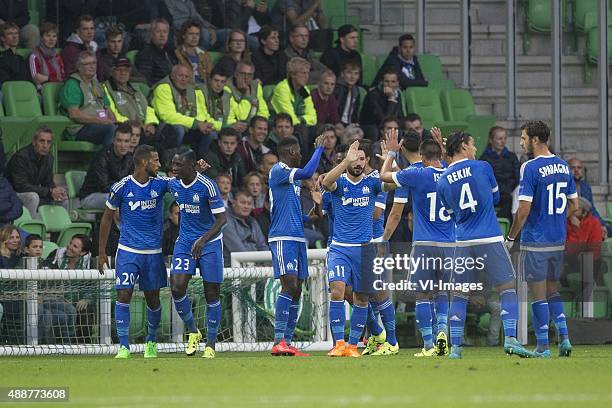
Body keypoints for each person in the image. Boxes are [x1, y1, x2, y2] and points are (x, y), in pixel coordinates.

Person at [435, 131, 532, 359]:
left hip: (463, 241)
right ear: (462, 147)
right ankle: (510, 339)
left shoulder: (442, 181)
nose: (475, 148)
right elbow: (496, 198)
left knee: (459, 294)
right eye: (472, 144)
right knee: (507, 288)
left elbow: (451, 213)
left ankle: (455, 348)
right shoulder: (483, 167)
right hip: (489, 237)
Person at [506, 120, 579, 358]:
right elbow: (574, 205)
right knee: (552, 290)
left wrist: (511, 236)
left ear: (535, 140)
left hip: (536, 239)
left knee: (538, 294)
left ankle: (543, 347)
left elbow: (524, 209)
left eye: (524, 137)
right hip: (558, 238)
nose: (521, 142)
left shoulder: (530, 167)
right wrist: (555, 218)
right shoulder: (564, 166)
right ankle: (565, 339)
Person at [321, 140, 395, 357]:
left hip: (364, 250)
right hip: (340, 248)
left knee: (361, 298)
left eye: (361, 159)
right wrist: (346, 160)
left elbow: (394, 183)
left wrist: (390, 157)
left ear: (366, 161)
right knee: (337, 291)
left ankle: (353, 346)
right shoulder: (340, 183)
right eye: (354, 158)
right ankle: (339, 344)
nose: (357, 163)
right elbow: (326, 183)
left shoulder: (372, 183)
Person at [380, 135, 453, 357]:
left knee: (422, 295)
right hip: (450, 243)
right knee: (442, 292)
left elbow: (384, 176)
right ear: (440, 154)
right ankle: (443, 332)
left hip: (424, 243)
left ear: (422, 156)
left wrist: (391, 153)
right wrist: (444, 147)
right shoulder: (451, 174)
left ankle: (429, 345)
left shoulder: (416, 174)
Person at [98, 145, 170, 359]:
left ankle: (151, 342)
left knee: (153, 299)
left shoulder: (160, 183)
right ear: (144, 162)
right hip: (128, 250)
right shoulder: (121, 187)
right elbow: (106, 218)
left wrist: (196, 169)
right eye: (156, 160)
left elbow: (182, 182)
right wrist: (101, 252)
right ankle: (124, 346)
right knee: (123, 293)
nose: (159, 164)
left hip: (153, 252)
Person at [268, 134, 324, 356]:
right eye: (299, 150)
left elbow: (304, 218)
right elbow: (308, 172)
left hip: (298, 237)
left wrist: (315, 209)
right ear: (291, 152)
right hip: (282, 237)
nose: (301, 154)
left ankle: (287, 342)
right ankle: (278, 340)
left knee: (297, 290)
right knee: (289, 285)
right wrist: (318, 149)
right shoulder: (278, 171)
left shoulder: (291, 183)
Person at [168, 150, 227, 359]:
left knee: (211, 293)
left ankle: (211, 343)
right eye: (173, 165)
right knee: (176, 287)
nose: (174, 169)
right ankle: (193, 331)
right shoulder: (174, 183)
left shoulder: (207, 186)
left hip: (209, 243)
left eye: (178, 165)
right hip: (185, 243)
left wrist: (202, 240)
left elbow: (222, 219)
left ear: (192, 165)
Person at [151, 64, 216, 159]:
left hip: (186, 128)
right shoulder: (163, 88)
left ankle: (200, 166)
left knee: (209, 133)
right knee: (178, 129)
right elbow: (168, 116)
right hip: (162, 128)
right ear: (172, 76)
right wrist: (196, 123)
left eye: (186, 76)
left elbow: (199, 112)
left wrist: (205, 124)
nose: (183, 79)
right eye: (180, 75)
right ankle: (168, 164)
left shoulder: (192, 90)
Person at [59, 51, 117, 148]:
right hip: (80, 128)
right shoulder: (73, 84)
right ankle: (109, 161)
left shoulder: (97, 85)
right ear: (79, 67)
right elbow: (74, 114)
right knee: (110, 129)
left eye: (94, 63)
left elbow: (108, 109)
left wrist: (114, 121)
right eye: (87, 64)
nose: (92, 66)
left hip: (101, 124)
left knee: (127, 130)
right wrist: (99, 121)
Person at [7, 126, 67, 218]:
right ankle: (31, 229)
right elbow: (21, 186)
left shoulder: (49, 158)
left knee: (62, 198)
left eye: (48, 142)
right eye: (42, 141)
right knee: (33, 197)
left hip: (33, 192)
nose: (45, 145)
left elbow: (48, 183)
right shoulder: (20, 157)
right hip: (13, 195)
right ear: (34, 142)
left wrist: (56, 191)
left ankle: (59, 231)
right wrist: (49, 191)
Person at [78, 123, 134, 210]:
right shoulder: (102, 157)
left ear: (130, 142)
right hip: (91, 196)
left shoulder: (130, 158)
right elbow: (104, 187)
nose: (123, 145)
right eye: (119, 141)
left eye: (126, 141)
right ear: (114, 140)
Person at [271, 57, 317, 156]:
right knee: (302, 129)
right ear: (292, 74)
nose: (307, 76)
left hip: (299, 124)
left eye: (307, 73)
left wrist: (302, 120)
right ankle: (303, 162)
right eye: (303, 73)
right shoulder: (282, 88)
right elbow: (290, 118)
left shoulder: (304, 90)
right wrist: (303, 120)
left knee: (316, 130)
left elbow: (313, 117)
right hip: (279, 123)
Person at [479, 126, 520, 222]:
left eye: (505, 138)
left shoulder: (512, 156)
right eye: (499, 138)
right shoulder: (484, 158)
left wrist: (512, 191)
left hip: (509, 194)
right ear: (491, 140)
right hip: (491, 194)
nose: (503, 141)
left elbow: (517, 177)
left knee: (511, 201)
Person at [360, 67, 405, 141]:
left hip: (388, 125)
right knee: (379, 130)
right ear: (381, 82)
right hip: (371, 126)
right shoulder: (373, 95)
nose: (390, 84)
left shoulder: (397, 94)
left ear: (397, 83)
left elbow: (400, 116)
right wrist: (391, 100)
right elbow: (383, 121)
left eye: (393, 82)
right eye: (386, 81)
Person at [568, 157, 609, 237]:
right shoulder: (563, 186)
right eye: (573, 168)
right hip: (570, 222)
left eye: (579, 168)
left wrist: (602, 225)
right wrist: (570, 217)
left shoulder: (585, 186)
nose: (576, 170)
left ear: (582, 171)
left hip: (586, 220)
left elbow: (592, 209)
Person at [222, 190, 268, 259]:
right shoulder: (225, 220)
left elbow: (262, 245)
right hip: (234, 265)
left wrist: (267, 261)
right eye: (243, 203)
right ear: (234, 203)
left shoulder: (253, 221)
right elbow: (236, 248)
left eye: (249, 204)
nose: (246, 206)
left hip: (257, 264)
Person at [226, 61, 270, 130]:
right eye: (243, 74)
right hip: (235, 126)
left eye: (249, 75)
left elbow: (263, 111)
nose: (246, 77)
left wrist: (258, 125)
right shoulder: (227, 88)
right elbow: (242, 117)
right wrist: (246, 93)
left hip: (253, 125)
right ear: (236, 74)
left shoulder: (256, 86)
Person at [136, 18, 178, 86]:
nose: (162, 35)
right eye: (158, 31)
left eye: (165, 32)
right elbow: (145, 80)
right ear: (151, 33)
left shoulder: (171, 53)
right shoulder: (146, 53)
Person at [174, 19, 213, 84]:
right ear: (183, 35)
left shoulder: (204, 54)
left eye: (197, 34)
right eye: (191, 34)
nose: (194, 37)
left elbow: (210, 76)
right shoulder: (177, 53)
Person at [29, 22, 65, 91]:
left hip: (59, 89)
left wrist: (47, 78)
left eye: (54, 36)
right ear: (41, 38)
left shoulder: (57, 56)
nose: (51, 39)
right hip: (42, 91)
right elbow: (37, 80)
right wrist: (54, 78)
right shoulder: (34, 56)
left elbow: (62, 78)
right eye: (48, 36)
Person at [200, 67, 233, 131]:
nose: (219, 84)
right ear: (210, 80)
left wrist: (232, 125)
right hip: (204, 129)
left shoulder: (228, 95)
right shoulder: (200, 92)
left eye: (222, 82)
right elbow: (203, 118)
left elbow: (231, 116)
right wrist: (224, 126)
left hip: (222, 127)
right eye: (216, 80)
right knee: (212, 134)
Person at [333, 61, 361, 128]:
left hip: (350, 124)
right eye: (349, 73)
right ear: (342, 74)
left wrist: (355, 123)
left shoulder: (356, 90)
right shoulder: (336, 88)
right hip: (337, 123)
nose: (352, 77)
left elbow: (355, 112)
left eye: (356, 74)